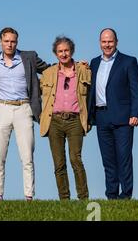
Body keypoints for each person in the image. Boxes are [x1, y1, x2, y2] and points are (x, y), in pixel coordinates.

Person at [0, 27, 49, 201]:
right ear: (0, 42)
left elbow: (48, 70)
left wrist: (73, 66)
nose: (10, 44)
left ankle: (29, 196)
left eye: (13, 41)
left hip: (23, 108)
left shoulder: (28, 57)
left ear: (17, 42)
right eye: (6, 41)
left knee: (27, 156)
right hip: (1, 110)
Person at [88, 28, 138, 200]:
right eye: (104, 41)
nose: (107, 45)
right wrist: (89, 117)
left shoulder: (128, 61)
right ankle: (111, 196)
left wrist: (136, 113)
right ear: (99, 43)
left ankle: (125, 195)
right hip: (101, 116)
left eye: (110, 41)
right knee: (108, 160)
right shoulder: (94, 63)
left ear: (116, 42)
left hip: (123, 118)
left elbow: (137, 90)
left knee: (123, 158)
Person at [39, 36, 90, 200]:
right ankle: (64, 199)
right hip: (54, 121)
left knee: (76, 159)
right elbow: (36, 93)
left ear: (72, 51)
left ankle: (83, 198)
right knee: (59, 163)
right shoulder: (47, 74)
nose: (63, 54)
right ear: (55, 53)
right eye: (60, 51)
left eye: (66, 50)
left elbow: (93, 93)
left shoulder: (83, 70)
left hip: (75, 120)